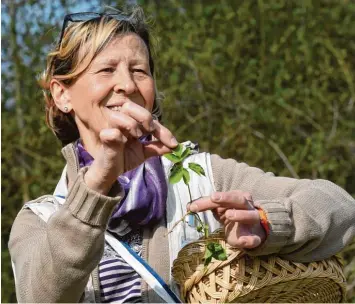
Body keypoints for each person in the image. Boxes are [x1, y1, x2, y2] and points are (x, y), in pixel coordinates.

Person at [9, 6, 355, 304]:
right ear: (61, 94)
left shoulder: (201, 177)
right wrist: (98, 184)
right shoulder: (39, 219)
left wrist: (268, 224)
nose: (127, 84)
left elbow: (338, 206)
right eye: (106, 69)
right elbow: (43, 296)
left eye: (139, 70)